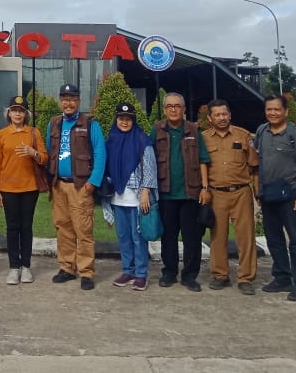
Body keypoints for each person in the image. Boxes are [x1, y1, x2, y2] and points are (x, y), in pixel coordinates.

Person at [46, 82, 106, 291]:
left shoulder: (90, 123)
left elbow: (100, 154)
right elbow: (48, 152)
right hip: (59, 186)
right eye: (64, 99)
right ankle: (67, 267)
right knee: (63, 228)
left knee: (84, 230)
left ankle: (86, 271)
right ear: (60, 101)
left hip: (81, 185)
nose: (68, 103)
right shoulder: (53, 123)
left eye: (72, 99)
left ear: (78, 101)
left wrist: (92, 183)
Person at [257, 94, 296, 302]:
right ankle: (282, 277)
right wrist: (258, 191)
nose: (272, 113)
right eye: (269, 109)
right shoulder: (261, 131)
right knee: (274, 239)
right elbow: (259, 162)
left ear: (286, 112)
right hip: (268, 195)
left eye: (276, 109)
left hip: (291, 195)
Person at [152, 92, 211, 292]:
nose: (173, 109)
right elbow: (149, 159)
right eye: (169, 106)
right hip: (166, 192)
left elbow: (203, 160)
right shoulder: (157, 130)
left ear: (184, 109)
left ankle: (189, 275)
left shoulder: (194, 130)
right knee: (168, 236)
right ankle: (169, 272)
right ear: (165, 109)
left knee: (191, 237)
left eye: (177, 106)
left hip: (190, 192)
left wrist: (205, 188)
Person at [201, 99, 259, 295]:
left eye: (224, 114)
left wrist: (256, 190)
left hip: (242, 191)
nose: (222, 118)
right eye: (217, 115)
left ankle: (246, 278)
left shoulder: (244, 136)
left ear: (230, 115)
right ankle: (220, 275)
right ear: (210, 118)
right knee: (218, 236)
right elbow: (202, 166)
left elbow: (254, 165)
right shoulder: (205, 138)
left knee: (246, 237)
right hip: (217, 193)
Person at [0, 94, 47, 285]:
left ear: (26, 114)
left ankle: (26, 266)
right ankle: (13, 267)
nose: (17, 114)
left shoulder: (33, 133)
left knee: (26, 227)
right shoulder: (1, 135)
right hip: (8, 187)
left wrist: (33, 153)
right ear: (9, 113)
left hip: (29, 187)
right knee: (12, 227)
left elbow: (44, 157)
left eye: (21, 111)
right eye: (14, 111)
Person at [104, 102, 157, 291]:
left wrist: (145, 191)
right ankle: (128, 270)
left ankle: (141, 274)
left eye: (128, 119)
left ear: (133, 121)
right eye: (121, 118)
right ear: (116, 120)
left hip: (137, 198)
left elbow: (150, 167)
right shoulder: (111, 140)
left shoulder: (142, 139)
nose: (124, 122)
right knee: (124, 236)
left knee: (138, 237)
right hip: (118, 198)